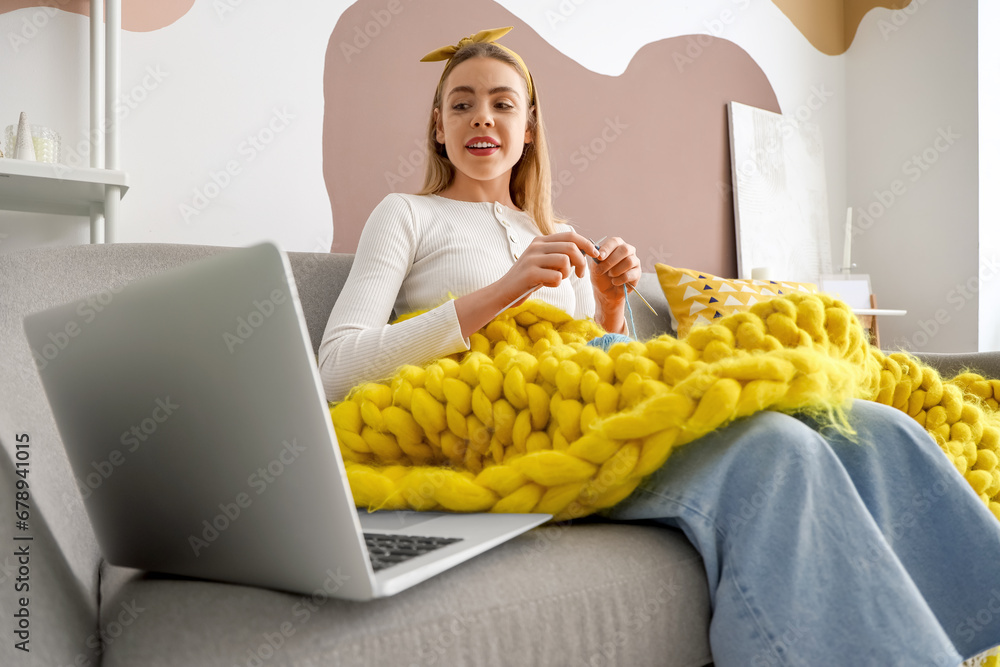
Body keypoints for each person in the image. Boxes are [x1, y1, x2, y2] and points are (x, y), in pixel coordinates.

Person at [318, 27, 1000, 666]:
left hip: (589, 411)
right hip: (508, 430)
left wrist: (613, 308)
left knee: (870, 426)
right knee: (776, 449)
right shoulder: (406, 214)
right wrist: (502, 291)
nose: (482, 118)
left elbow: (605, 369)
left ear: (529, 128)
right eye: (460, 104)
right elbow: (337, 365)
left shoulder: (560, 231)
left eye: (503, 103)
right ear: (438, 127)